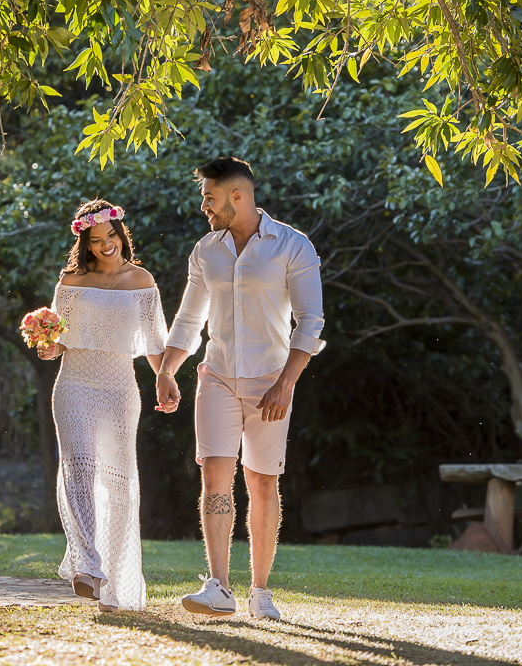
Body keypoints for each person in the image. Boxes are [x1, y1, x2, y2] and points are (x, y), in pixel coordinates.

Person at [155, 157, 325, 621]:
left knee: (262, 481)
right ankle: (219, 588)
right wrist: (168, 369)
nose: (204, 207)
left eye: (209, 198)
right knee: (215, 476)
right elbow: (189, 318)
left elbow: (310, 321)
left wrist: (286, 383)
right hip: (217, 377)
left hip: (272, 381)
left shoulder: (292, 245)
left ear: (237, 196)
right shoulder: (205, 250)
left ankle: (261, 592)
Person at [37, 198, 168, 612]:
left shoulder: (142, 280)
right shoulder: (72, 280)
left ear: (120, 234)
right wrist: (48, 346)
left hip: (120, 388)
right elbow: (59, 337)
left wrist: (165, 379)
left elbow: (155, 343)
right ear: (86, 243)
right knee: (78, 467)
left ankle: (113, 587)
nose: (106, 245)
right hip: (74, 383)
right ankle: (88, 566)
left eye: (111, 236)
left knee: (118, 482)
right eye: (96, 240)